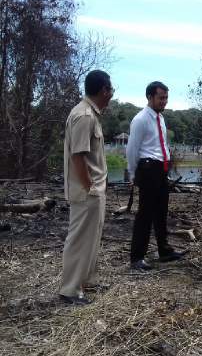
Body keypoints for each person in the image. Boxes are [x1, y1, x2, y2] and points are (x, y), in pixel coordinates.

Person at [60, 70, 113, 305]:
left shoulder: (90, 114)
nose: (111, 95)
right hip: (86, 192)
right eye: (110, 90)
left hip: (93, 191)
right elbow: (77, 156)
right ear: (103, 90)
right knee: (80, 239)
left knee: (91, 238)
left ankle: (82, 281)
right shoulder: (84, 116)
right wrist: (90, 187)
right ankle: (70, 290)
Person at [126, 81, 186, 271]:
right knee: (145, 213)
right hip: (148, 167)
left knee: (161, 211)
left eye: (166, 97)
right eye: (161, 97)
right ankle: (137, 257)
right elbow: (132, 148)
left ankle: (164, 250)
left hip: (161, 168)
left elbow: (161, 144)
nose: (164, 101)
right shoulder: (140, 119)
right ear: (150, 97)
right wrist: (132, 173)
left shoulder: (160, 118)